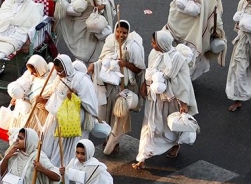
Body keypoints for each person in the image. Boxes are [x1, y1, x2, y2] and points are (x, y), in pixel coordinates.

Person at [133, 31, 198, 170]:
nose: (152, 44)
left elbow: (184, 82)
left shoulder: (177, 59)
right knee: (149, 127)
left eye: (154, 42)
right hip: (154, 99)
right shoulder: (153, 54)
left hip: (171, 100)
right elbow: (149, 71)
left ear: (162, 43)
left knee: (171, 127)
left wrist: (184, 103)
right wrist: (145, 85)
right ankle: (142, 158)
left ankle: (175, 145)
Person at [89, 20, 145, 155]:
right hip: (108, 87)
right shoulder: (109, 41)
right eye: (118, 32)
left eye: (124, 33)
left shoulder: (133, 47)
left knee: (118, 117)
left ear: (128, 33)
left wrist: (125, 64)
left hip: (123, 88)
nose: (121, 35)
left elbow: (139, 69)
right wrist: (95, 66)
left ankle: (115, 143)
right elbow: (102, 60)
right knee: (106, 115)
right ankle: (108, 139)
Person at [41, 54, 99, 168]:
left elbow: (90, 103)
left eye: (60, 71)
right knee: (56, 142)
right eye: (57, 71)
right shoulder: (60, 78)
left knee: (71, 145)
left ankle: (69, 167)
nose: (59, 74)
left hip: (74, 119)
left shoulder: (82, 80)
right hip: (59, 117)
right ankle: (53, 165)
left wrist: (74, 96)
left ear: (67, 67)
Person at [164, 0, 227, 80]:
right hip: (193, 33)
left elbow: (182, 6)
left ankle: (180, 81)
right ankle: (181, 81)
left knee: (185, 58)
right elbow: (213, 13)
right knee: (189, 58)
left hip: (182, 29)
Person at [0, 0, 45, 69]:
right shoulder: (8, 2)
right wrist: (8, 22)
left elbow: (35, 22)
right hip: (4, 27)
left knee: (11, 42)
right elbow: (0, 16)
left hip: (21, 30)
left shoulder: (32, 6)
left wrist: (15, 22)